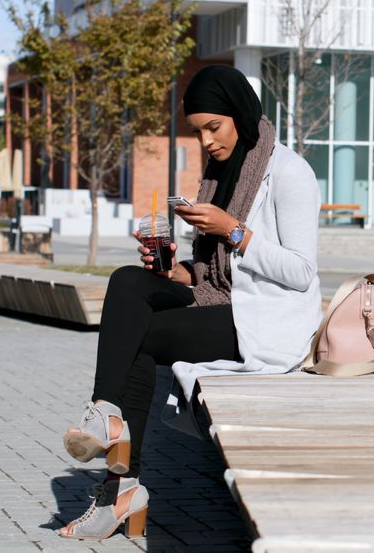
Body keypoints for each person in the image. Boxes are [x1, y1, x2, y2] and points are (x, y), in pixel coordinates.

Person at [57, 65, 322, 540]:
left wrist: (233, 231)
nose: (206, 141)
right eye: (198, 131)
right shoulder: (220, 175)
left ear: (240, 115)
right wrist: (175, 272)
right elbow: (213, 274)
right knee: (128, 281)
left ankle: (120, 484)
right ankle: (106, 414)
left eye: (213, 128)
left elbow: (301, 273)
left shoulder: (290, 173)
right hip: (220, 298)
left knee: (139, 339)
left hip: (267, 319)